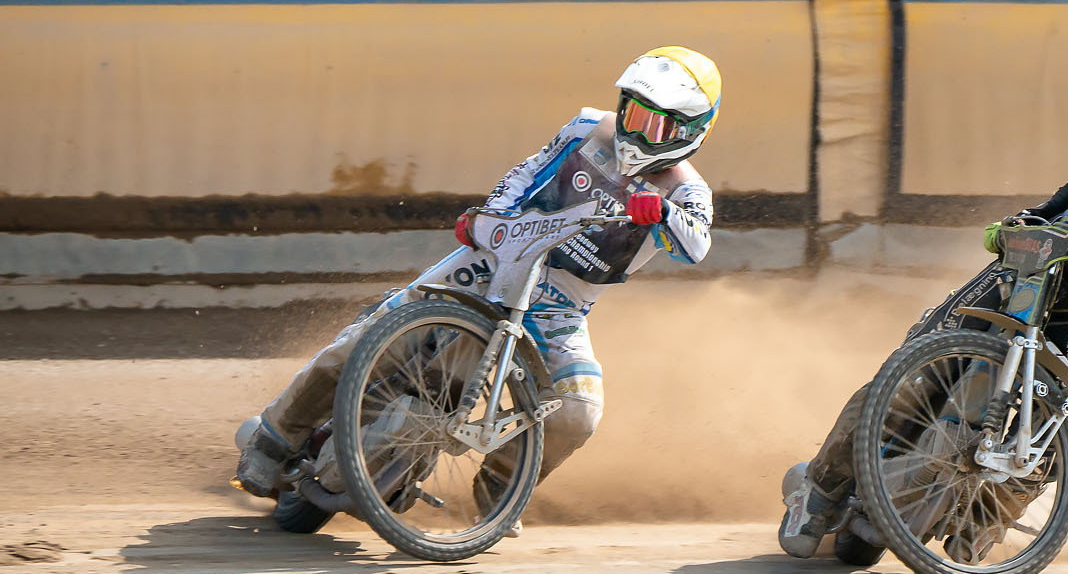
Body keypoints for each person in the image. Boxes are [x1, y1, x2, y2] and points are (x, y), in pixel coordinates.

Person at [780, 50, 1068, 561]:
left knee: (1045, 434)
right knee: (913, 376)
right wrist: (1022, 221)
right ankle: (820, 490)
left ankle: (983, 521)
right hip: (1031, 269)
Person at [232, 49, 723, 505]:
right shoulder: (587, 128)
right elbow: (525, 173)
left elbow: (695, 245)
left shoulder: (687, 191)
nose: (636, 132)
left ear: (690, 130)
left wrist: (661, 213)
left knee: (578, 413)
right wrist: (490, 218)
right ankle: (274, 438)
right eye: (633, 113)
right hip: (494, 264)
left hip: (560, 308)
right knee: (368, 337)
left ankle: (499, 495)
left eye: (655, 125)